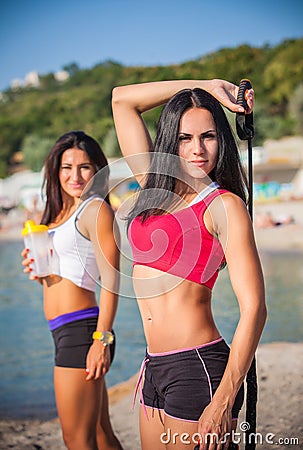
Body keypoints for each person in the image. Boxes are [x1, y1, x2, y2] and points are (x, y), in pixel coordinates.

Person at [112, 79, 267, 450]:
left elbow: (255, 309)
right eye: (185, 138)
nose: (198, 149)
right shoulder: (153, 186)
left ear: (222, 141)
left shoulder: (223, 206)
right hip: (153, 367)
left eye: (208, 136)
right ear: (171, 140)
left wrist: (225, 398)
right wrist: (208, 87)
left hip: (198, 370)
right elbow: (122, 100)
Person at [21, 131, 123, 450]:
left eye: (84, 167)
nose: (74, 176)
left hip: (83, 332)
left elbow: (112, 279)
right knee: (100, 433)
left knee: (76, 439)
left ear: (98, 171)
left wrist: (101, 339)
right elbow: (67, 271)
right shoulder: (57, 214)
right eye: (67, 167)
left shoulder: (95, 210)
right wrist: (40, 274)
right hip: (64, 330)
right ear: (56, 170)